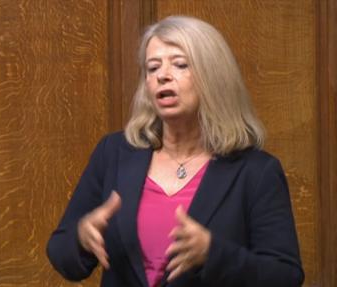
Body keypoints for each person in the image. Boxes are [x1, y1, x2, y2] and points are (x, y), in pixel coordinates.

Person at [47, 15, 304, 287]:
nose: (163, 75)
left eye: (180, 64)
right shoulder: (114, 153)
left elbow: (285, 276)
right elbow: (61, 252)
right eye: (152, 68)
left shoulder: (256, 171)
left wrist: (214, 255)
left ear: (213, 77)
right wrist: (81, 238)